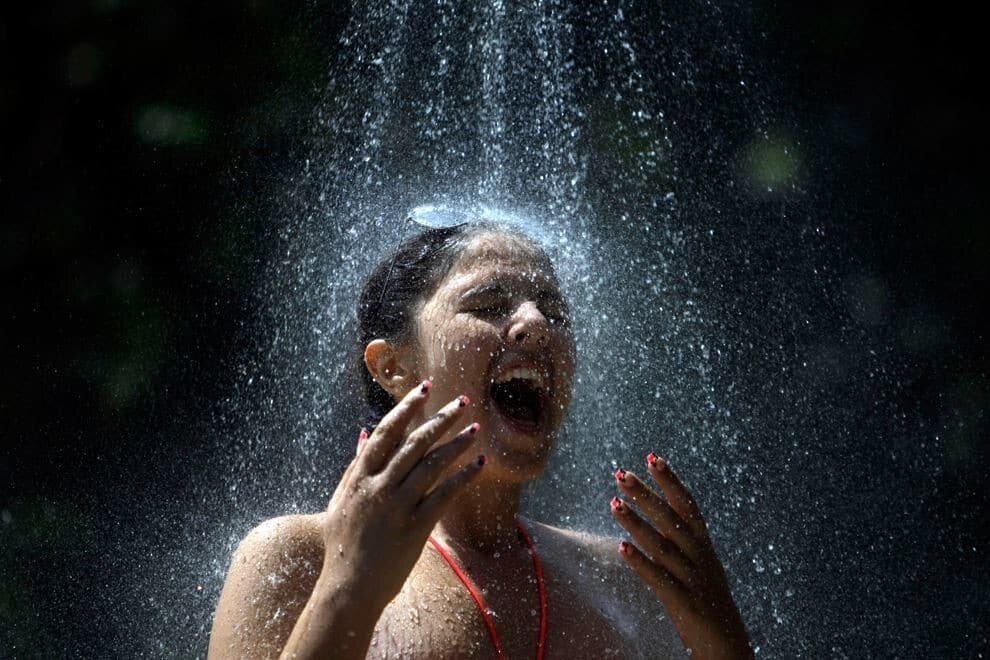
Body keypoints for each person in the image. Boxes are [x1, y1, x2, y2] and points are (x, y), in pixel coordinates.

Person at [208, 219, 752, 659]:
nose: (538, 324)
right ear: (392, 366)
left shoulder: (620, 577)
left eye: (554, 310)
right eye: (489, 306)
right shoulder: (295, 559)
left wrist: (723, 642)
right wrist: (348, 590)